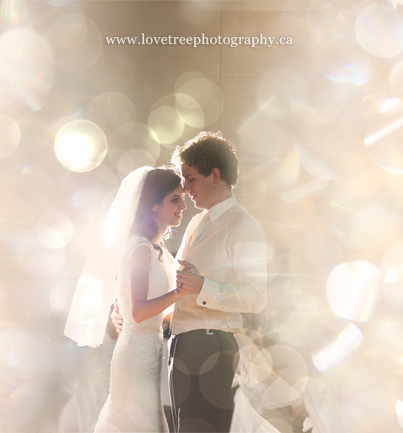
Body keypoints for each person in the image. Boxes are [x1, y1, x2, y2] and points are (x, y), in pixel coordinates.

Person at [113, 131, 268, 432]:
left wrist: (203, 287)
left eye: (190, 178)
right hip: (182, 348)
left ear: (215, 175)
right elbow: (173, 289)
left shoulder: (244, 226)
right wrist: (126, 307)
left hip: (212, 346)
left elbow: (256, 297)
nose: (185, 188)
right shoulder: (196, 222)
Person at [64, 166, 190, 432]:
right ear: (154, 204)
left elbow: (138, 305)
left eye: (183, 198)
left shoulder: (158, 249)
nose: (183, 206)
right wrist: (180, 292)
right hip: (135, 354)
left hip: (150, 350)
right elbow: (139, 311)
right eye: (175, 199)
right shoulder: (141, 248)